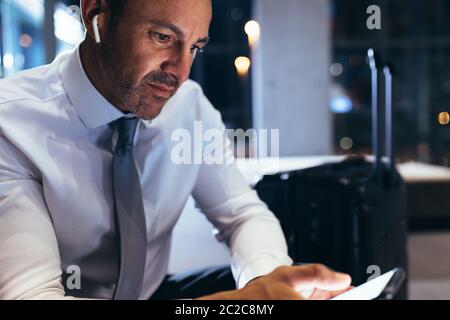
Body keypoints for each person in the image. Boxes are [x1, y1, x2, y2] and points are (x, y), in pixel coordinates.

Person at [0, 0, 351, 300]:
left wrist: (262, 283)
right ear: (96, 14)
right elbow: (31, 295)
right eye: (163, 37)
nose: (181, 72)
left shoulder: (188, 107)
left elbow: (241, 214)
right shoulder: (12, 124)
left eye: (195, 47)